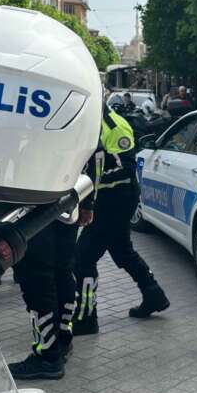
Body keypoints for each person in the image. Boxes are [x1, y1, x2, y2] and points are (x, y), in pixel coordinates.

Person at [73, 106, 169, 335]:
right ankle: (154, 294)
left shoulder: (114, 126)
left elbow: (125, 167)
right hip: (109, 197)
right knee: (122, 250)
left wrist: (85, 180)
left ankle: (86, 318)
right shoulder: (90, 121)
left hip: (116, 198)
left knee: (82, 258)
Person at [8, 215, 81, 380]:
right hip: (68, 207)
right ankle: (62, 341)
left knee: (37, 278)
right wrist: (87, 204)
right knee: (63, 271)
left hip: (33, 209)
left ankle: (47, 357)